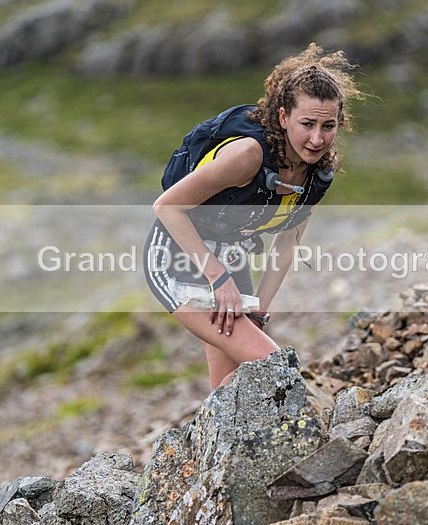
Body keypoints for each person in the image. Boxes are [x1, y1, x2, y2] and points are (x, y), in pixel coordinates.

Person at [143, 43, 362, 390]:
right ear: (283, 117)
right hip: (178, 256)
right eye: (307, 124)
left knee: (229, 387)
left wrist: (259, 309)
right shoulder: (247, 155)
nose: (317, 138)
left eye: (328, 126)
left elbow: (287, 240)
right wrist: (217, 278)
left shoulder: (319, 171)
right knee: (277, 370)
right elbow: (166, 207)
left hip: (232, 258)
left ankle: (213, 444)